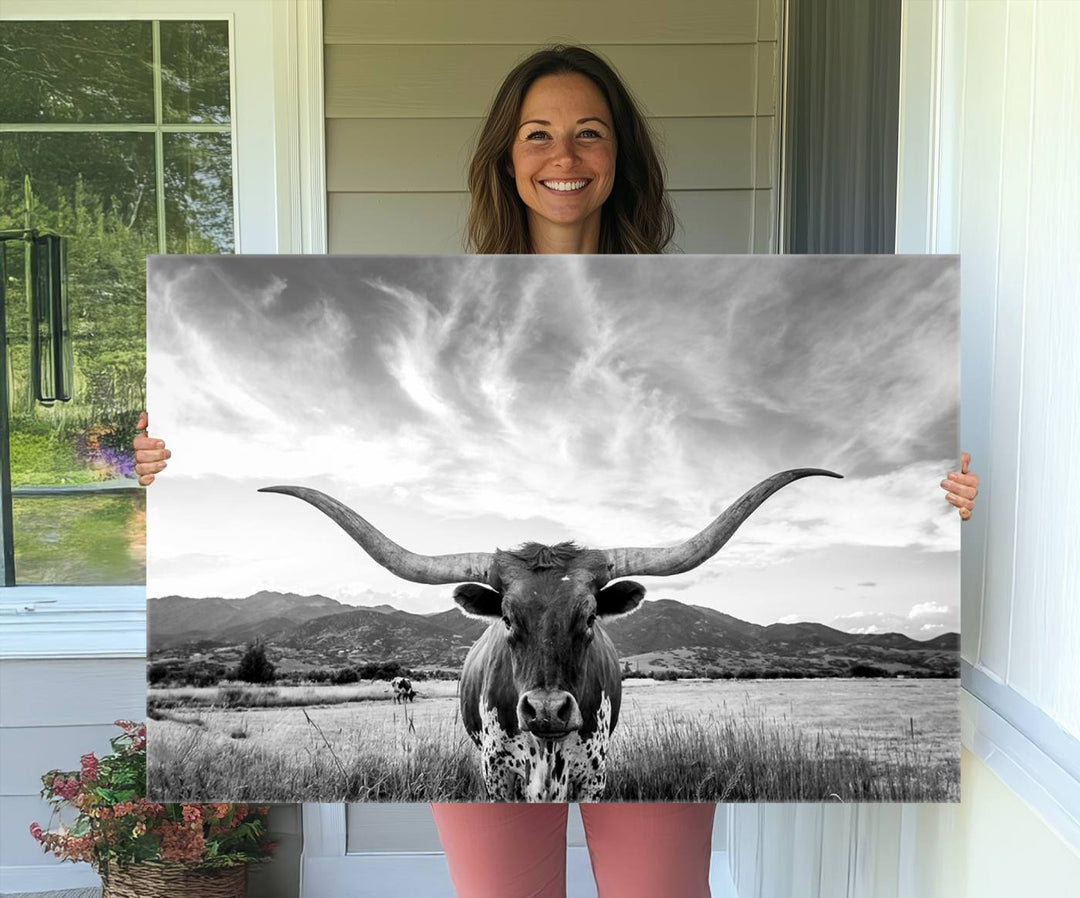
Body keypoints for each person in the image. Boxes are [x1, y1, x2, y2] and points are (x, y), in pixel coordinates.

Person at [134, 45, 979, 898]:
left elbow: (790, 408)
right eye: (537, 135)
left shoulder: (706, 303)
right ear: (507, 157)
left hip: (586, 670)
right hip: (501, 694)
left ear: (621, 157)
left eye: (590, 134)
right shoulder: (432, 306)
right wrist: (168, 462)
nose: (564, 157)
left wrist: (942, 496)